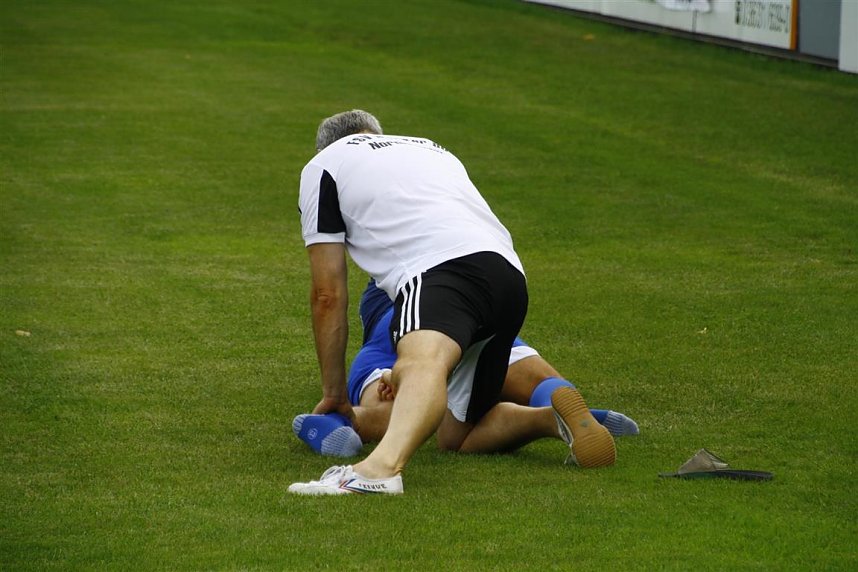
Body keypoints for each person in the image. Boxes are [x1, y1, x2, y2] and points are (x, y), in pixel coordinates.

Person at [290, 110, 615, 495]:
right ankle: (551, 420)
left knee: (421, 362)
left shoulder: (322, 165)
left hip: (436, 272)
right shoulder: (431, 148)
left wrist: (334, 393)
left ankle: (379, 471)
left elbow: (328, 293)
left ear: (326, 146)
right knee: (457, 434)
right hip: (508, 274)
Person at [293, 279, 639, 457]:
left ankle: (335, 424)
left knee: (397, 413)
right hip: (476, 314)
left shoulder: (385, 260)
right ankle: (558, 407)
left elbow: (328, 292)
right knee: (541, 379)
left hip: (395, 332)